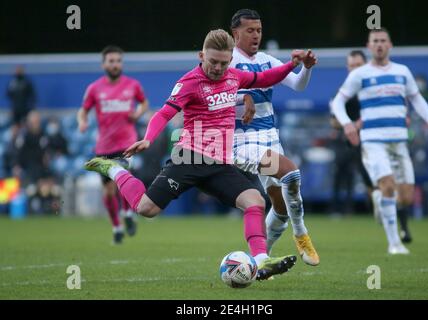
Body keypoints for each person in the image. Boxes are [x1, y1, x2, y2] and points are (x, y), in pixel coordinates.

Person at [84, 29, 308, 280]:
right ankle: (115, 169)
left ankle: (261, 261)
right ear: (201, 55)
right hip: (189, 159)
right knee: (146, 209)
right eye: (213, 62)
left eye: (224, 63)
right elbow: (164, 113)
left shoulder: (234, 76)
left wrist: (292, 65)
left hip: (220, 164)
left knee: (254, 200)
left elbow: (266, 77)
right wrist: (148, 138)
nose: (218, 68)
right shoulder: (189, 82)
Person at [332, 28, 428, 255]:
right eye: (375, 41)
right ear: (369, 46)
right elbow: (338, 102)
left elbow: (416, 98)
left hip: (399, 142)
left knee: (406, 197)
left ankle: (381, 199)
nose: (379, 45)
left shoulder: (402, 72)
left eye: (383, 41)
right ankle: (394, 244)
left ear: (390, 45)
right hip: (373, 141)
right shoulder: (360, 74)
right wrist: (348, 124)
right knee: (389, 185)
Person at [229, 9, 319, 266]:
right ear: (236, 33)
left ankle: (258, 264)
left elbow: (298, 85)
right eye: (250, 30)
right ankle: (301, 233)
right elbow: (212, 94)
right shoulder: (227, 60)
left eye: (259, 30)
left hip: (270, 137)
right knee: (291, 173)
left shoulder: (268, 60)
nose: (256, 35)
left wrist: (307, 68)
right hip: (243, 141)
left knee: (280, 208)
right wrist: (241, 97)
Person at [77, 45, 149, 244]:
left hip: (126, 144)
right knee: (108, 191)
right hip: (104, 147)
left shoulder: (132, 85)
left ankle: (127, 214)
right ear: (104, 64)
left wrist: (138, 113)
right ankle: (117, 227)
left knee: (122, 180)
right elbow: (83, 110)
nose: (115, 64)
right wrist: (82, 121)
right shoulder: (94, 88)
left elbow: (144, 103)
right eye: (111, 61)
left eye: (118, 61)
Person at [329, 50, 374, 216]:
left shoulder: (374, 88)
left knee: (370, 175)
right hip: (345, 140)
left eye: (358, 65)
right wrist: (350, 125)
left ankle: (377, 210)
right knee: (341, 174)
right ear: (347, 68)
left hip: (370, 139)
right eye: (352, 65)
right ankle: (337, 209)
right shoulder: (342, 92)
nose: (355, 69)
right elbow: (333, 120)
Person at [6, 65, 36, 133]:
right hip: (15, 110)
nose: (18, 72)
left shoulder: (27, 82)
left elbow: (32, 96)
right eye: (17, 70)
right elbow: (8, 94)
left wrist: (30, 108)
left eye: (20, 70)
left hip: (25, 109)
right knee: (15, 127)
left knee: (25, 126)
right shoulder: (13, 82)